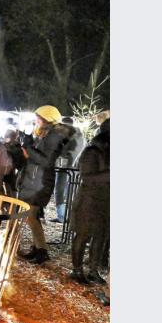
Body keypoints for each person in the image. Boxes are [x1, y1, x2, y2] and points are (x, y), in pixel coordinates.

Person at [16, 105, 75, 264]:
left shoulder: (54, 136)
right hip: (35, 181)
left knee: (31, 216)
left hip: (40, 183)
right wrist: (28, 142)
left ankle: (42, 252)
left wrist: (28, 147)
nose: (36, 120)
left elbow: (45, 161)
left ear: (47, 119)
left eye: (39, 118)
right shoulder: (45, 134)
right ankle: (38, 249)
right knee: (32, 216)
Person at [70, 117, 109, 284]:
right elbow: (87, 177)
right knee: (83, 235)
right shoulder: (91, 151)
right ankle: (77, 270)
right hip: (88, 201)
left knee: (100, 237)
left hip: (105, 201)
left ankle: (93, 271)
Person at [52, 116, 85, 222]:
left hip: (67, 168)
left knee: (63, 191)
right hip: (71, 168)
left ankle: (64, 216)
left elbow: (70, 154)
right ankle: (65, 216)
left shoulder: (74, 137)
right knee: (66, 191)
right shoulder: (77, 136)